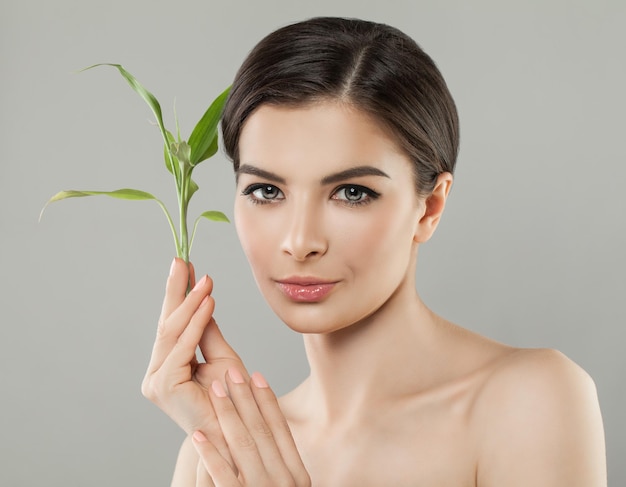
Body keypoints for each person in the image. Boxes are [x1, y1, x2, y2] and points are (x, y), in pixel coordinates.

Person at [141, 17, 607, 486]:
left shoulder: (529, 402)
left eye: (352, 193)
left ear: (430, 207)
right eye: (266, 191)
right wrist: (225, 426)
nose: (300, 242)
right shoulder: (213, 456)